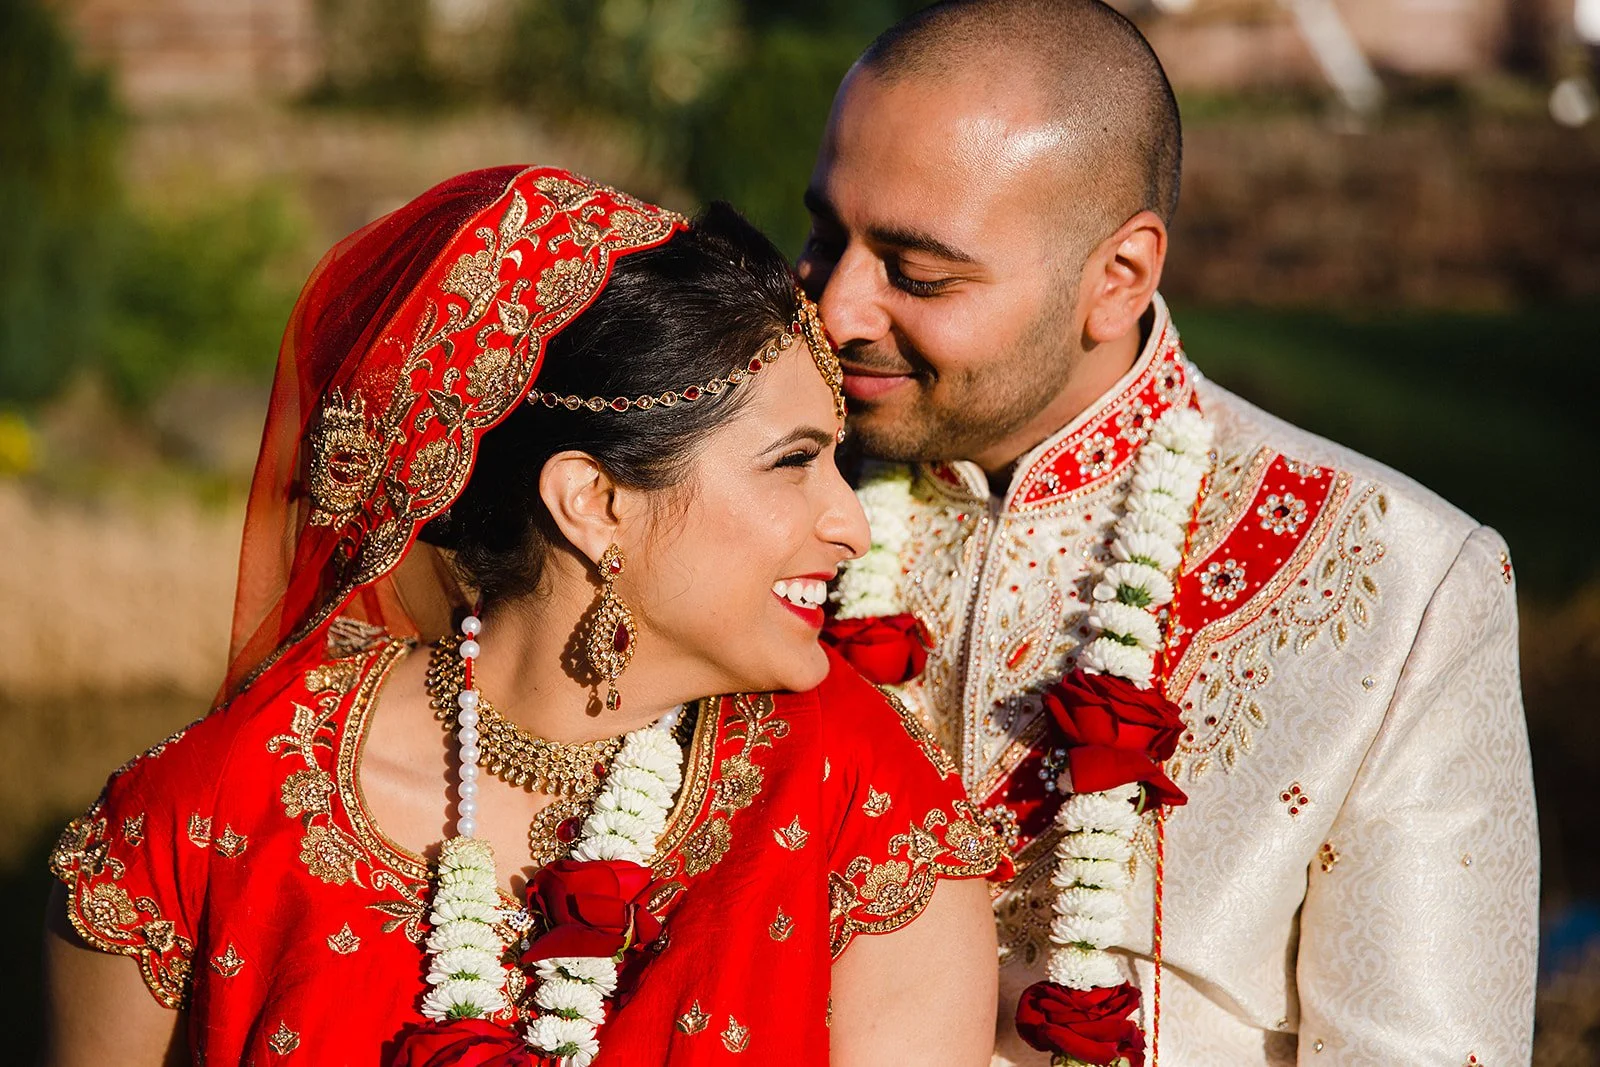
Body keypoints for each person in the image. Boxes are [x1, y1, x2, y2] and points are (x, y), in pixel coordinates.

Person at [43, 165, 1008, 1067]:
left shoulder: (863, 804)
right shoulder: (204, 818)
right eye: (794, 461)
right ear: (593, 499)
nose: (847, 523)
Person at [800, 2, 1538, 1064]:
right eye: (826, 236)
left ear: (1119, 278)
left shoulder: (1398, 581)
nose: (837, 309)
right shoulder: (750, 500)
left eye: (918, 273)